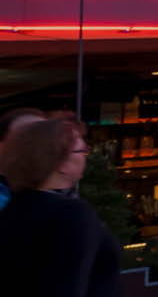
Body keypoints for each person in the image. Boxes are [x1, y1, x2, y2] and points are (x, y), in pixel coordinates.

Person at [0, 115, 119, 295]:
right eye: (81, 151)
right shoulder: (72, 213)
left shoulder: (11, 207)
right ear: (61, 164)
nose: (85, 157)